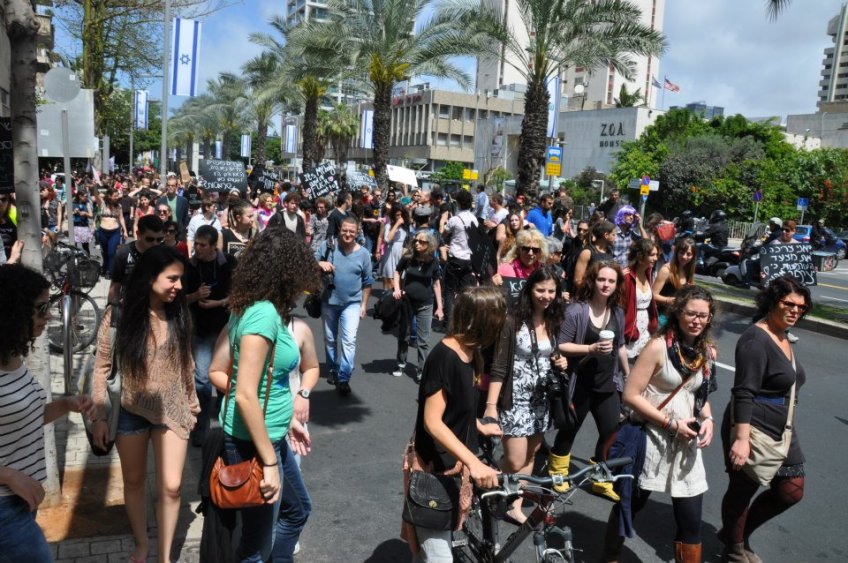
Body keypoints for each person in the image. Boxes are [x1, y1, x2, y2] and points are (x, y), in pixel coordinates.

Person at [207, 226, 319, 562]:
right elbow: (243, 394)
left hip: (270, 436)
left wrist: (287, 421)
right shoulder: (263, 316)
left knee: (296, 510)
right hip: (254, 444)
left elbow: (259, 385)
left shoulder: (259, 309)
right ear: (285, 270)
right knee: (254, 541)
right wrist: (269, 462)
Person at [92, 245, 199, 563]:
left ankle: (165, 556)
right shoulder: (119, 314)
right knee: (135, 481)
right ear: (150, 278)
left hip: (173, 409)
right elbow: (101, 368)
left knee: (172, 487)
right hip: (129, 410)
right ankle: (142, 545)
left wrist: (191, 401)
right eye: (173, 279)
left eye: (180, 280)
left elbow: (186, 364)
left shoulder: (179, 312)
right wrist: (99, 414)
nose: (179, 287)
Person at [603, 285, 718, 563]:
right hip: (649, 439)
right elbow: (630, 395)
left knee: (691, 519)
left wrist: (709, 419)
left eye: (703, 315)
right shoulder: (658, 347)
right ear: (678, 313)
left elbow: (698, 395)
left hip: (685, 444)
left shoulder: (706, 352)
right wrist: (670, 423)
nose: (697, 320)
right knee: (629, 504)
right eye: (691, 313)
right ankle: (610, 557)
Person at [402, 287, 506, 561]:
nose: (502, 327)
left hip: (453, 466)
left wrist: (477, 424)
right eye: (498, 320)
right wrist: (474, 462)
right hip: (434, 471)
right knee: (439, 558)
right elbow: (432, 422)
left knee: (430, 552)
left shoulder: (471, 353)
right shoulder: (444, 356)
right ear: (483, 321)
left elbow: (458, 404)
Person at [0, 265, 94, 562]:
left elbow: (24, 419)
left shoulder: (13, 357)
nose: (49, 316)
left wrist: (66, 404)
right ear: (13, 310)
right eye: (41, 309)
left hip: (21, 500)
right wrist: (9, 476)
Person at [718, 276, 810, 563]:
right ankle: (733, 550)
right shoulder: (755, 339)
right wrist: (742, 440)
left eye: (801, 307)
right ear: (772, 302)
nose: (795, 310)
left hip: (781, 427)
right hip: (752, 426)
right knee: (742, 490)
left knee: (791, 490)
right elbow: (744, 391)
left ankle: (738, 534)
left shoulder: (781, 334)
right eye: (789, 304)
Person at [486, 267, 568, 523]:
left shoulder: (554, 319)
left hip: (541, 399)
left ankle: (514, 504)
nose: (546, 296)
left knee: (531, 455)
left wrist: (561, 360)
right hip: (515, 398)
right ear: (529, 289)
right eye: (540, 290)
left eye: (551, 291)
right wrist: (490, 406)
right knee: (515, 457)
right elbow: (499, 366)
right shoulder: (512, 320)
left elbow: (550, 353)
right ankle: (487, 477)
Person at [551, 261, 629, 500]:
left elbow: (621, 345)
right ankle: (558, 473)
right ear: (592, 281)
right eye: (601, 280)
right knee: (569, 429)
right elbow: (561, 345)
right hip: (580, 383)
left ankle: (600, 476)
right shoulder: (577, 310)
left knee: (611, 432)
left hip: (607, 384)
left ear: (617, 285)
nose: (606, 285)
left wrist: (628, 374)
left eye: (611, 281)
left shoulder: (617, 312)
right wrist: (590, 348)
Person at [184, 225, 236, 446]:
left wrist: (219, 302)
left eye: (202, 245)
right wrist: (196, 295)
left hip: (225, 329)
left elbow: (238, 295)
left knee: (224, 379)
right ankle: (201, 430)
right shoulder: (189, 266)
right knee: (203, 381)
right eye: (195, 243)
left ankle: (228, 427)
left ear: (214, 246)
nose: (197, 248)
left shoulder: (228, 264)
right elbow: (179, 298)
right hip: (200, 331)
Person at [316, 216, 374, 396]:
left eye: (352, 231)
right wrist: (320, 263)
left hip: (352, 304)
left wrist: (364, 305)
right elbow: (309, 262)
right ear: (340, 229)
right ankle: (333, 368)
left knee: (349, 340)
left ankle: (344, 377)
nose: (348, 234)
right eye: (345, 230)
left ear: (357, 232)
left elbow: (367, 282)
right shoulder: (328, 246)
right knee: (330, 339)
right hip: (329, 301)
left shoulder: (363, 253)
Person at [391, 230, 444, 382]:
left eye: (421, 242)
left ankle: (422, 371)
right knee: (404, 334)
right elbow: (397, 271)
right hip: (407, 302)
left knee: (423, 340)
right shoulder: (408, 257)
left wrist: (439, 307)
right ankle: (400, 363)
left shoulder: (433, 262)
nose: (417, 244)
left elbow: (436, 284)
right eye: (416, 241)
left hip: (426, 304)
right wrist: (396, 289)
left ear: (429, 244)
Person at [108, 215, 165, 303]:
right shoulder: (123, 254)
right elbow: (115, 286)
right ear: (138, 234)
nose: (155, 244)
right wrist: (110, 308)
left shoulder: (165, 254)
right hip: (130, 308)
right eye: (150, 239)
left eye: (159, 239)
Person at [441, 189, 478, 321]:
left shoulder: (455, 219)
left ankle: (449, 320)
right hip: (468, 259)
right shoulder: (474, 219)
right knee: (465, 291)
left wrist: (443, 221)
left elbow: (443, 234)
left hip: (455, 258)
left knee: (449, 290)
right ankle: (463, 318)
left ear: (458, 203)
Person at [623, 239, 660, 360]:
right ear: (640, 256)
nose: (655, 258)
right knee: (621, 366)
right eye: (652, 255)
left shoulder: (648, 273)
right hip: (630, 327)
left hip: (645, 329)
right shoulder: (627, 277)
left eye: (656, 255)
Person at [653, 237, 696, 325]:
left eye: (688, 254)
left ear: (693, 256)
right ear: (676, 252)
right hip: (662, 317)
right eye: (682, 252)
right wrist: (668, 300)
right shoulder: (666, 270)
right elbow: (653, 295)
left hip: (678, 317)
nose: (684, 257)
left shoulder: (688, 270)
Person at [94, 188, 130, 277]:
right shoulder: (102, 204)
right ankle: (105, 267)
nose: (117, 197)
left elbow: (121, 218)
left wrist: (125, 231)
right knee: (105, 252)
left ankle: (110, 271)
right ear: (109, 196)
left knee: (111, 252)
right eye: (115, 196)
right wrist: (95, 186)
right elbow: (95, 195)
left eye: (117, 195)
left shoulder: (119, 206)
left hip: (115, 232)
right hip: (103, 232)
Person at [572, 220, 615, 289]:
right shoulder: (587, 253)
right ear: (606, 235)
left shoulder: (609, 251)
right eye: (613, 234)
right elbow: (578, 280)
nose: (615, 237)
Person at [377, 205, 410, 291]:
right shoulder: (389, 225)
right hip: (391, 254)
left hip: (402, 253)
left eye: (401, 215)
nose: (400, 217)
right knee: (390, 283)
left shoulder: (407, 227)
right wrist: (397, 224)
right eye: (397, 215)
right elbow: (387, 239)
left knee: (401, 282)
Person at [71, 189, 94, 255]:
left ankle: (87, 260)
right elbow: (66, 215)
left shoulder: (87, 203)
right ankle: (74, 260)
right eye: (85, 196)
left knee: (85, 246)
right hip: (75, 226)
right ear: (80, 196)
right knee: (73, 246)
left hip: (84, 226)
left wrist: (85, 214)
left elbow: (91, 215)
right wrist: (73, 212)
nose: (86, 197)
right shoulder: (73, 203)